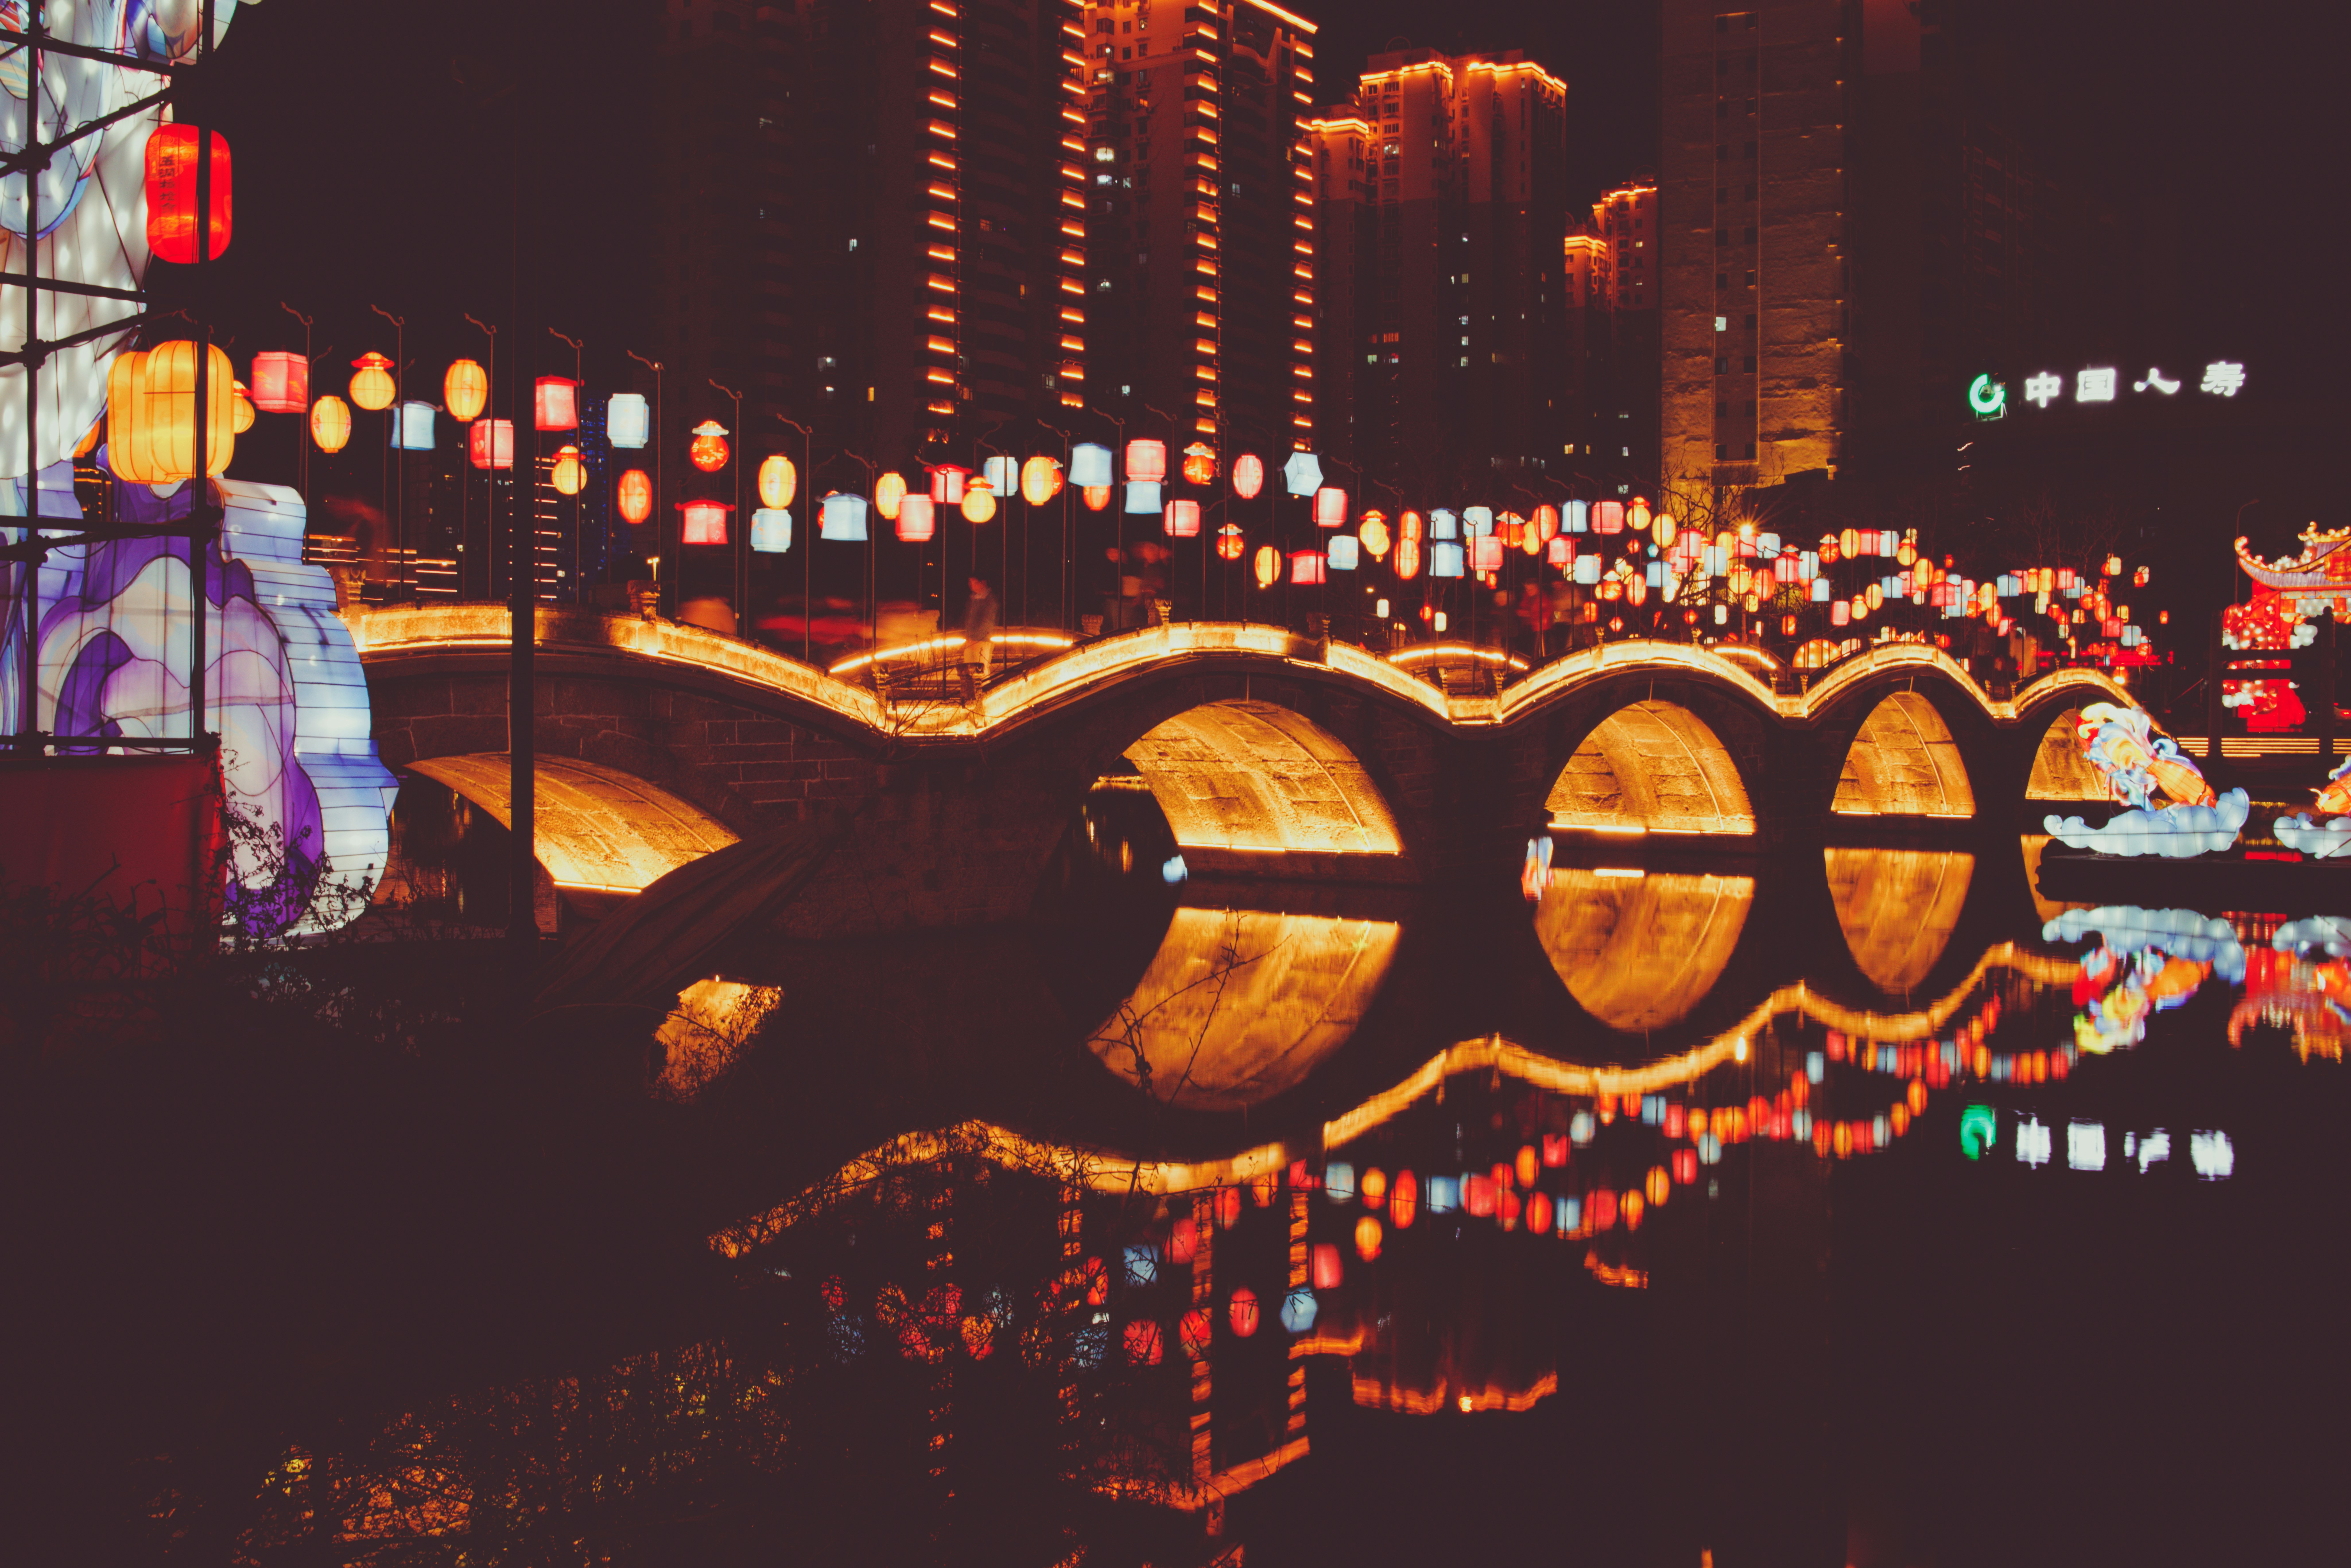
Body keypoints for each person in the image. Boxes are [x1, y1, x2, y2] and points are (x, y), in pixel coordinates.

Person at [963, 575, 999, 682]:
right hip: (972, 640)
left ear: (983, 582)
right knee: (969, 670)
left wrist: (975, 637)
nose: (971, 585)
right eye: (970, 582)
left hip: (981, 641)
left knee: (981, 670)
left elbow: (986, 622)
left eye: (973, 582)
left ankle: (984, 691)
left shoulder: (990, 600)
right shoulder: (973, 599)